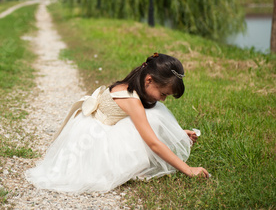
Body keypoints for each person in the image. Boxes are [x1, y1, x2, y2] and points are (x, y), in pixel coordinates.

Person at [25, 53, 209, 193]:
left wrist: (177, 133)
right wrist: (188, 170)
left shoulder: (132, 85)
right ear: (149, 80)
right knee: (153, 115)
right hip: (93, 141)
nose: (164, 99)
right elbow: (153, 142)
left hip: (98, 128)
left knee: (153, 112)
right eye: (163, 94)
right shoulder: (132, 100)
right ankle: (134, 168)